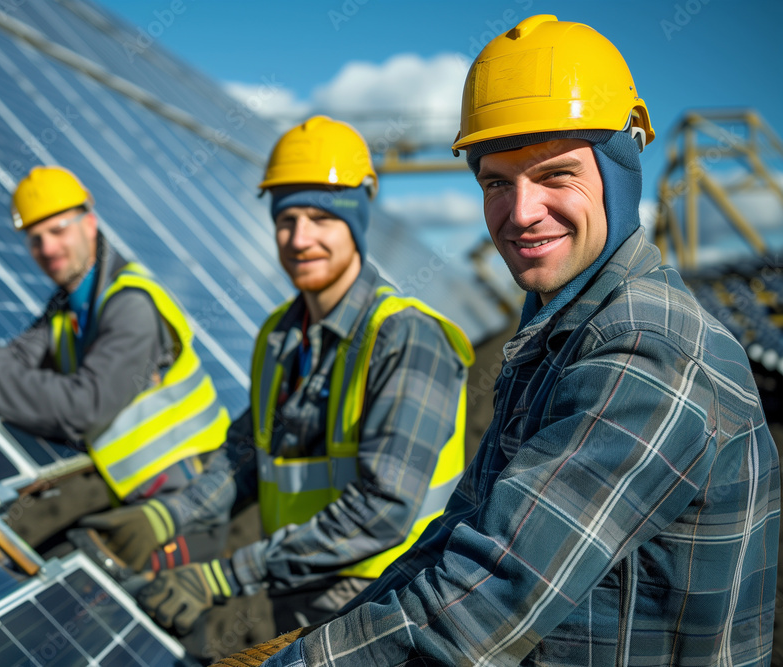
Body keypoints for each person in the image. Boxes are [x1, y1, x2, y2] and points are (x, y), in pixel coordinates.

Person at [245, 15, 780, 667]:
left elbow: (488, 594)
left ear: (620, 175)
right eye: (497, 181)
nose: (521, 211)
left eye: (556, 174)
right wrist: (320, 640)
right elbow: (458, 534)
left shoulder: (646, 346)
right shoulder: (560, 331)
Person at [88, 116, 475, 644]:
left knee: (203, 641)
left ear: (357, 220)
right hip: (297, 567)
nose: (299, 238)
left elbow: (380, 513)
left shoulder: (406, 338)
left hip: (384, 590)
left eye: (321, 217)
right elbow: (245, 455)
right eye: (286, 219)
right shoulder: (280, 334)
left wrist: (223, 576)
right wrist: (165, 516)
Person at [0, 166, 230, 540]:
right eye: (35, 239)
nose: (48, 249)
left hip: (187, 504)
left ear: (89, 223)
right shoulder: (69, 305)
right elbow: (18, 361)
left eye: (58, 231)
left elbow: (83, 409)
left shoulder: (131, 305)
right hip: (130, 492)